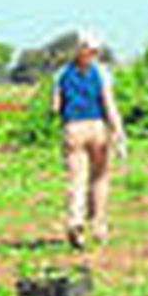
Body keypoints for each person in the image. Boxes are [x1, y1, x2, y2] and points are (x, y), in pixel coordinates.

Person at [51, 31, 128, 249]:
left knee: (76, 179)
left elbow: (55, 106)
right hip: (97, 127)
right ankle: (99, 226)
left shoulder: (61, 74)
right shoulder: (102, 72)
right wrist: (119, 133)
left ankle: (75, 221)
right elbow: (109, 104)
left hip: (73, 128)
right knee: (100, 178)